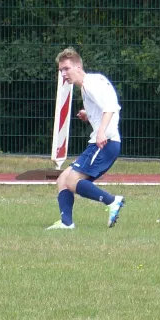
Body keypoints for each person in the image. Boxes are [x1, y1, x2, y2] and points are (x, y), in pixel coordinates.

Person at [46, 47, 125, 230]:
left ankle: (112, 201)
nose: (64, 74)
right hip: (104, 141)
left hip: (106, 142)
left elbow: (111, 107)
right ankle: (67, 223)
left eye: (66, 69)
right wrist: (88, 115)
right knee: (63, 179)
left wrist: (101, 132)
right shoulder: (89, 84)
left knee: (72, 181)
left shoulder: (90, 84)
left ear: (78, 66)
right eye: (61, 71)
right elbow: (105, 106)